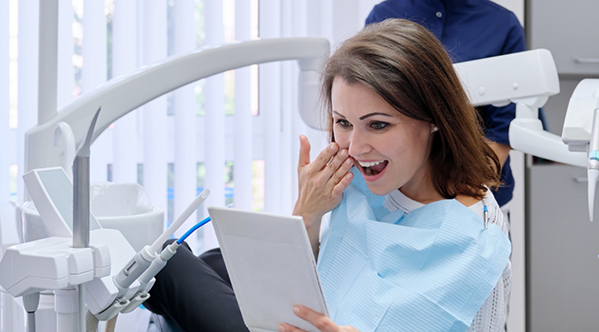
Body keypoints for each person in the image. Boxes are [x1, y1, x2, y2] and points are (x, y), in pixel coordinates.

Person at [144, 19, 511, 332]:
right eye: (343, 123)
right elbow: (324, 273)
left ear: (434, 118)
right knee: (210, 261)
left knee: (164, 263)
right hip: (302, 316)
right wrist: (308, 212)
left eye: (379, 125)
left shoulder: (474, 236)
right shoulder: (360, 180)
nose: (354, 147)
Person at [365, 0, 527, 209]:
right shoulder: (384, 15)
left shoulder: (502, 24)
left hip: (472, 192)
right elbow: (368, 106)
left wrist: (465, 200)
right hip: (397, 195)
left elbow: (504, 129)